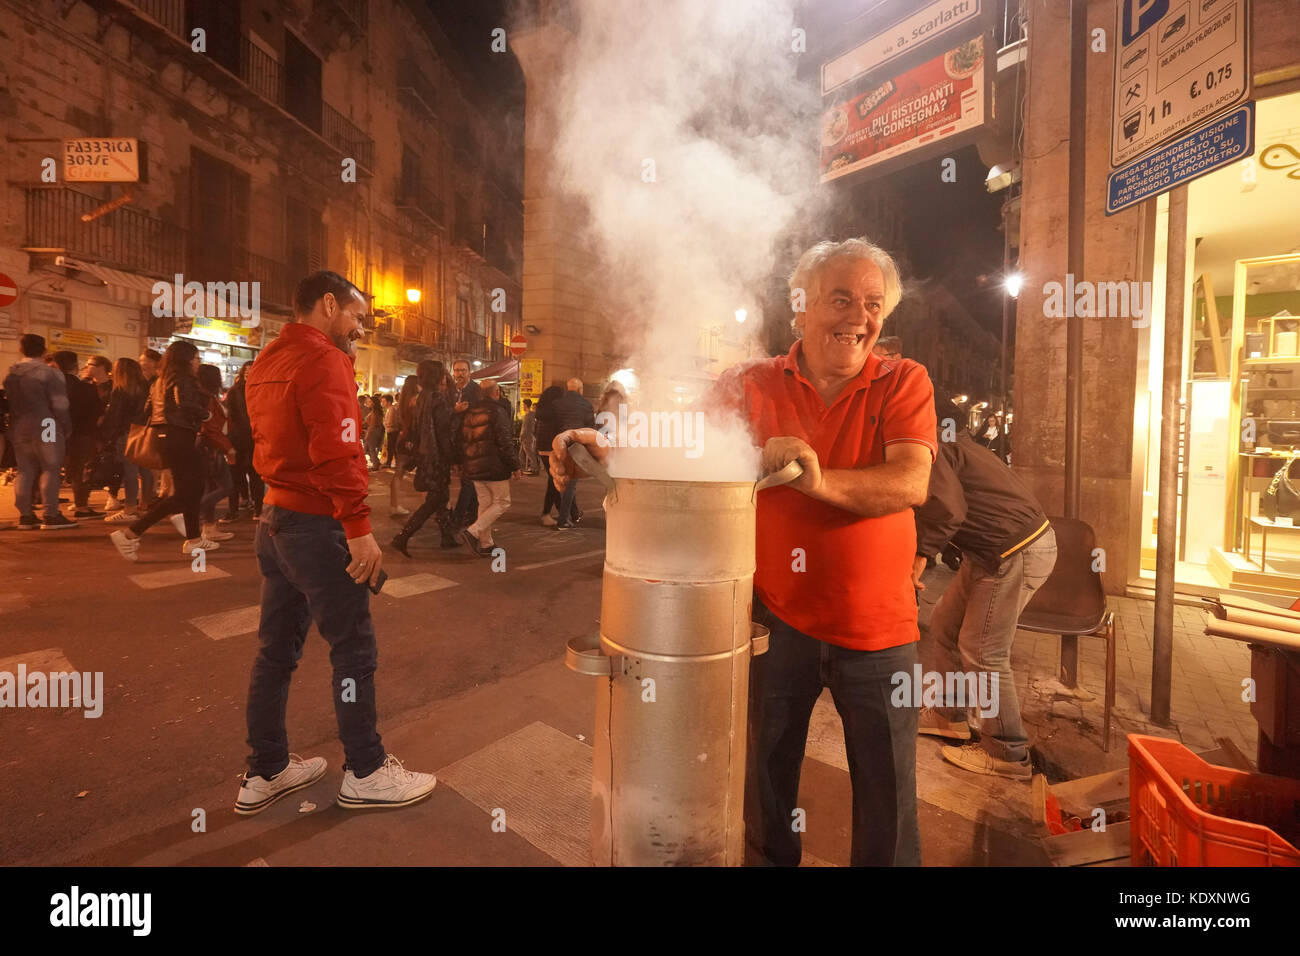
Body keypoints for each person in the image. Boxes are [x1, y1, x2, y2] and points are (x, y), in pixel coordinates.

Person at [552, 238, 936, 866]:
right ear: (800, 307)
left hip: (881, 629)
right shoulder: (748, 382)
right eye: (841, 299)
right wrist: (594, 437)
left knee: (888, 793)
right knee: (763, 781)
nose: (859, 319)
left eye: (872, 305)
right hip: (776, 619)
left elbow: (909, 482)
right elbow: (678, 444)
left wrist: (815, 479)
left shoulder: (903, 380)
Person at [236, 270, 435, 814]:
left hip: (274, 519)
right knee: (353, 650)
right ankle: (366, 771)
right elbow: (339, 452)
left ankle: (266, 769)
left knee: (275, 651)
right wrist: (359, 529)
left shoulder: (267, 360)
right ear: (328, 305)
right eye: (356, 317)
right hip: (315, 525)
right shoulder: (324, 360)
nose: (359, 330)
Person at [913, 387, 1056, 780]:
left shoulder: (940, 448)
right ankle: (950, 715)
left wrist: (917, 560)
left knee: (983, 651)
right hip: (994, 550)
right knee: (945, 626)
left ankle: (1007, 753)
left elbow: (946, 510)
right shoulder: (954, 443)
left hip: (1013, 550)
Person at [108, 340, 215, 558]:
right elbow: (184, 404)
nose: (198, 362)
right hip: (180, 437)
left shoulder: (158, 381)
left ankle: (194, 539)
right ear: (186, 359)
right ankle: (130, 533)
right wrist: (206, 415)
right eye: (195, 358)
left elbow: (147, 410)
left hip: (166, 438)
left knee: (191, 490)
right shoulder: (183, 378)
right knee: (186, 492)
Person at [3, 333, 73, 530]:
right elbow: (60, 403)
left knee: (25, 470)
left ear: (20, 349)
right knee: (51, 467)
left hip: (19, 426)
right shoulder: (50, 373)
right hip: (47, 424)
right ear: (44, 350)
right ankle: (51, 514)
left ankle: (26, 515)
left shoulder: (12, 375)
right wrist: (66, 426)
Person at [391, 361, 459, 556]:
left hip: (425, 453)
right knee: (435, 499)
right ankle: (403, 537)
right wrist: (452, 458)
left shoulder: (422, 397)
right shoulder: (437, 398)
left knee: (440, 497)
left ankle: (447, 537)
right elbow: (443, 430)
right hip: (436, 456)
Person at [456, 386, 519, 556]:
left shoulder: (470, 412)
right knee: (502, 502)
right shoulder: (497, 411)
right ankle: (473, 532)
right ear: (496, 393)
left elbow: (463, 439)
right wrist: (515, 465)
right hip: (494, 465)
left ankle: (486, 543)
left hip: (474, 465)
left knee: (484, 503)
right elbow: (505, 441)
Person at [52, 350, 105, 520]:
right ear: (75, 366)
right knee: (81, 471)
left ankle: (49, 510)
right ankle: (82, 506)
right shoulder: (85, 387)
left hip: (54, 433)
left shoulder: (50, 387)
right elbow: (98, 410)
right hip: (83, 434)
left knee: (54, 470)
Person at [192, 363, 237, 543]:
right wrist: (228, 447)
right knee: (226, 486)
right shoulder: (207, 398)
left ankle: (209, 527)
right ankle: (193, 511)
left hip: (209, 447)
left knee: (211, 486)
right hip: (212, 447)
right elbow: (211, 428)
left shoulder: (206, 396)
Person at [100, 357, 150, 523]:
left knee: (130, 472)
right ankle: (145, 505)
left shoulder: (120, 390)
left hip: (126, 433)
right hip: (143, 432)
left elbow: (115, 416)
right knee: (145, 470)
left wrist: (108, 436)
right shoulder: (146, 387)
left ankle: (130, 508)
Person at [222, 361, 263, 522]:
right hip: (238, 438)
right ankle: (236, 507)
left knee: (255, 474)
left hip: (254, 437)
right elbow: (230, 415)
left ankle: (257, 507)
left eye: (251, 370)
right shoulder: (235, 391)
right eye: (246, 370)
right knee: (237, 474)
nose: (248, 373)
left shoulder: (261, 389)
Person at [551, 378, 594, 530]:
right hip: (576, 445)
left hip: (559, 443)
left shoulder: (556, 404)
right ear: (580, 389)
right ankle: (563, 520)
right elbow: (590, 428)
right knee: (570, 485)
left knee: (566, 480)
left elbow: (552, 425)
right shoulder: (586, 405)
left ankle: (574, 513)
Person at [449, 358, 482, 527]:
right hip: (455, 441)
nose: (459, 374)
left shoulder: (476, 390)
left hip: (471, 439)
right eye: (457, 370)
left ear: (469, 372)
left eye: (463, 370)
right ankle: (472, 513)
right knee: (468, 479)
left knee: (468, 479)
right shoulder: (450, 391)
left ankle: (459, 514)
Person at [535, 384, 570, 526]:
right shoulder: (556, 410)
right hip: (553, 447)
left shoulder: (542, 410)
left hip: (542, 447)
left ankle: (560, 510)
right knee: (553, 481)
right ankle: (546, 513)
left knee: (553, 480)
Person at [389, 376, 421, 517]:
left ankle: (394, 504)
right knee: (423, 470)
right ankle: (428, 505)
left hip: (403, 437)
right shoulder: (415, 400)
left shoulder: (402, 401)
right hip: (412, 438)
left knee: (399, 472)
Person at [363, 392, 385, 471]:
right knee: (366, 449)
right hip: (375, 430)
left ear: (374, 403)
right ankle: (376, 462)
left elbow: (372, 425)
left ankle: (375, 465)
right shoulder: (374, 411)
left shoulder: (375, 412)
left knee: (371, 448)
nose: (367, 403)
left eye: (369, 402)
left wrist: (368, 434)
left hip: (373, 431)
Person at [519, 398, 539, 475]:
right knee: (522, 453)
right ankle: (522, 468)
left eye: (523, 405)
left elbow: (525, 428)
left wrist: (521, 436)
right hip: (529, 436)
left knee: (529, 453)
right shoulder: (532, 414)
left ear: (526, 405)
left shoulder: (527, 416)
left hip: (526, 437)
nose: (522, 407)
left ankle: (534, 468)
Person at [381, 394, 398, 468]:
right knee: (392, 448)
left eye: (384, 401)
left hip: (392, 431)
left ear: (389, 402)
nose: (382, 403)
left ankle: (389, 463)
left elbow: (390, 422)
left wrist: (384, 423)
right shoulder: (389, 409)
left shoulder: (392, 409)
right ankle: (391, 462)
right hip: (390, 431)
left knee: (392, 448)